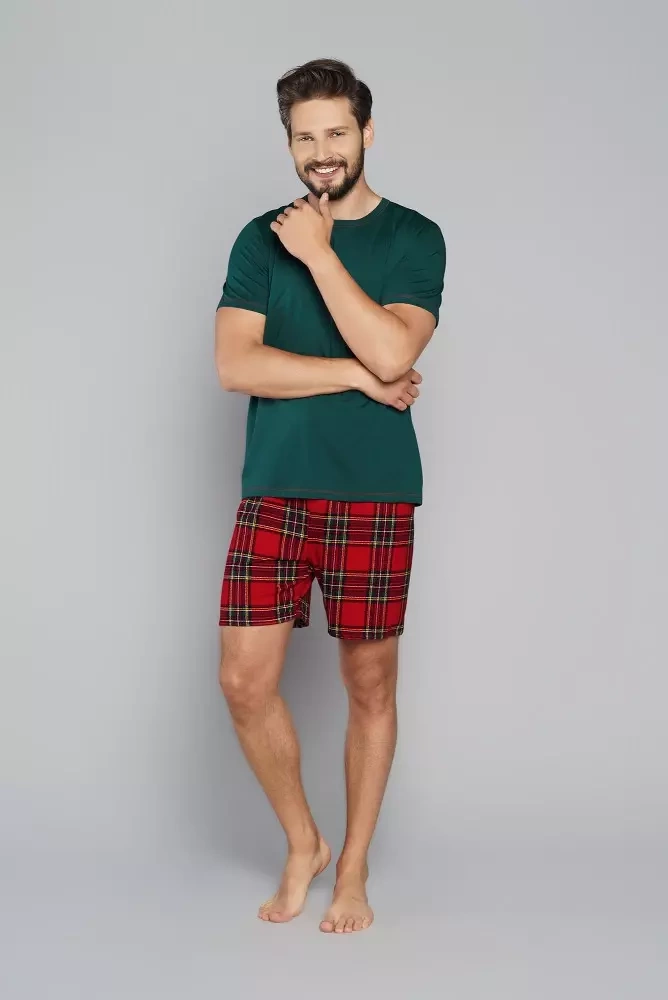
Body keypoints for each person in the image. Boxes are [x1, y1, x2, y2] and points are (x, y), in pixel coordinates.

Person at [214, 58, 446, 934]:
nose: (321, 151)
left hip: (373, 492)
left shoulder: (415, 237)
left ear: (367, 134)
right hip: (275, 487)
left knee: (369, 683)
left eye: (337, 133)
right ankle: (303, 840)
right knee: (243, 681)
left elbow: (397, 351)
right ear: (289, 142)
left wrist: (317, 254)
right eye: (305, 136)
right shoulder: (256, 238)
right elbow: (236, 364)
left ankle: (352, 866)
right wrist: (354, 373)